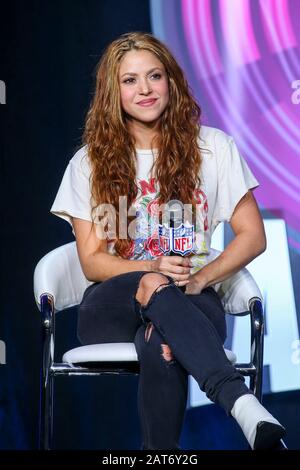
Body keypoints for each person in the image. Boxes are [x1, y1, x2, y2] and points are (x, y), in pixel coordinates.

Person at [50, 31, 286, 450]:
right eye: (129, 80)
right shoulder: (88, 162)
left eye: (154, 76)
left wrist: (200, 278)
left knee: (163, 342)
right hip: (111, 304)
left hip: (190, 300)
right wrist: (152, 271)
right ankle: (240, 401)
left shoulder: (213, 148)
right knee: (151, 285)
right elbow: (91, 262)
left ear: (171, 82)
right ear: (112, 91)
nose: (144, 89)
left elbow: (253, 236)